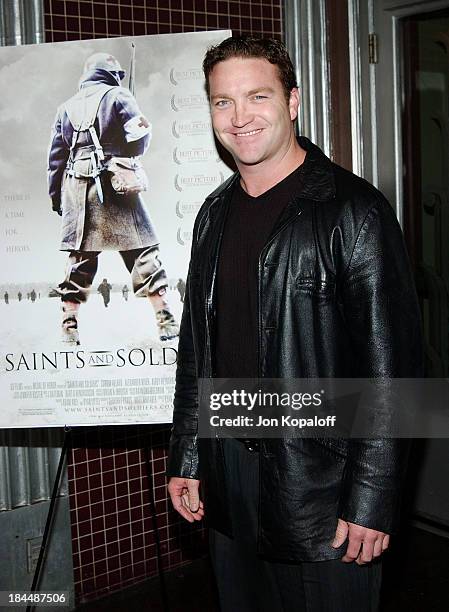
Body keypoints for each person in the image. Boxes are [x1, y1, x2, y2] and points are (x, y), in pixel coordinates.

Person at [167, 37, 422, 611]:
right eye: (222, 102)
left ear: (294, 101)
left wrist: (373, 497)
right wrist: (189, 455)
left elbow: (395, 369)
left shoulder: (353, 210)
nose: (240, 117)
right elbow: (195, 350)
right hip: (229, 468)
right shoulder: (214, 211)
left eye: (257, 96)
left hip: (321, 480)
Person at [48, 52, 179, 344]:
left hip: (78, 191)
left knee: (79, 259)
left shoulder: (65, 108)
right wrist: (129, 153)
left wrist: (57, 196)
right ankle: (165, 318)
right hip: (115, 184)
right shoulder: (119, 95)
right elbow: (140, 134)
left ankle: (69, 325)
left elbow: (56, 158)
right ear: (112, 74)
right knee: (142, 252)